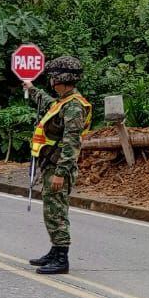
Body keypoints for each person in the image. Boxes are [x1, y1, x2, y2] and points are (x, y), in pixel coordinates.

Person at [23, 55, 93, 275]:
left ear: (61, 79)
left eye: (53, 77)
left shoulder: (73, 107)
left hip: (59, 167)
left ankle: (61, 258)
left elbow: (73, 143)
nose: (51, 81)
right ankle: (55, 250)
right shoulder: (63, 102)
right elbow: (47, 102)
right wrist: (31, 88)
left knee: (57, 211)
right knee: (51, 209)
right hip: (51, 164)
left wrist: (61, 173)